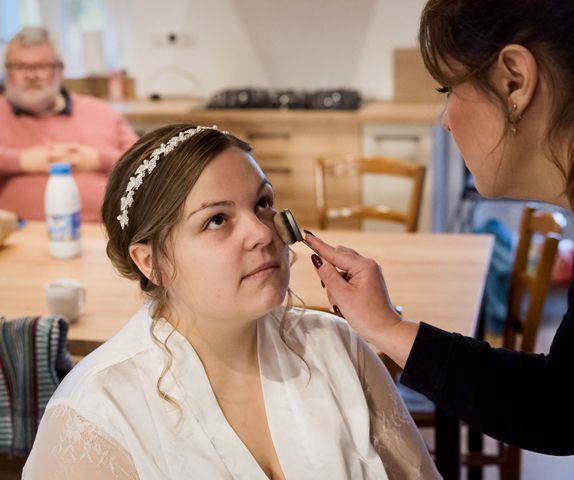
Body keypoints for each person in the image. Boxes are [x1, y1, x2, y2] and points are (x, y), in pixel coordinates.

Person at [303, 1, 574, 479]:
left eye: (449, 90)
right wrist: (387, 327)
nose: (445, 119)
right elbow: (566, 403)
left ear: (514, 81)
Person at [22, 124, 440, 479]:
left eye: (262, 203)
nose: (262, 233)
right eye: (217, 220)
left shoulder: (340, 347)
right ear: (151, 262)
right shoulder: (97, 412)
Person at [0, 26, 137, 222]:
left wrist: (96, 159)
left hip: (109, 233)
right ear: (7, 71)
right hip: (20, 238)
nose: (30, 76)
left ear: (60, 69)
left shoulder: (101, 112)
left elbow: (147, 165)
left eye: (41, 67)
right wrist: (22, 161)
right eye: (19, 67)